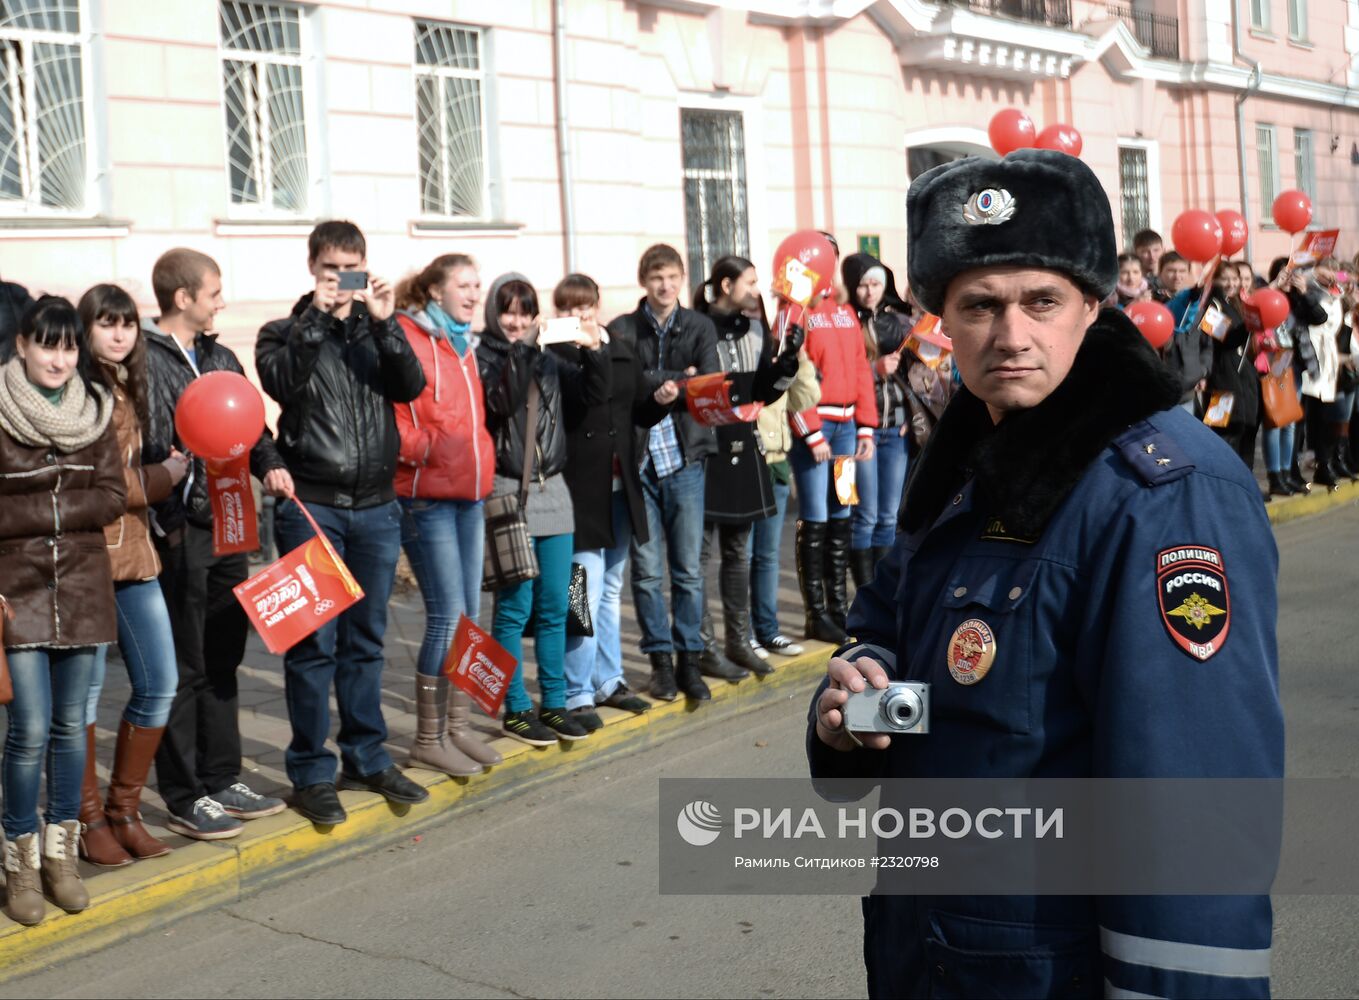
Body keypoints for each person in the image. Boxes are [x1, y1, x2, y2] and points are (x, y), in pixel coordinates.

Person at [810, 149, 1281, 998]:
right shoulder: (962, 465)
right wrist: (848, 704)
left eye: (1040, 301)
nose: (1011, 334)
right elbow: (884, 629)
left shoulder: (1163, 494)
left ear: (1093, 306)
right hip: (935, 956)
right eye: (979, 306)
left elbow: (1194, 815)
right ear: (938, 320)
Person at [256, 221, 430, 826]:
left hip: (377, 508)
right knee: (312, 646)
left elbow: (412, 386)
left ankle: (365, 755)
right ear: (313, 268)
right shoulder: (283, 332)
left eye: (352, 268)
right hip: (312, 509)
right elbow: (281, 383)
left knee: (366, 642)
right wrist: (319, 319)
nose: (343, 281)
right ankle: (310, 771)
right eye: (333, 270)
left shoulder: (375, 329)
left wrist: (384, 321)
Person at [143, 248, 291, 840]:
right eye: (214, 293)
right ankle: (183, 793)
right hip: (181, 531)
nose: (221, 302)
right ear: (183, 298)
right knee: (184, 664)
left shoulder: (222, 355)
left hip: (233, 522)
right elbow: (149, 444)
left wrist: (272, 464)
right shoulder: (147, 362)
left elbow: (253, 425)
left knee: (225, 655)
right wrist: (168, 514)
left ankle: (223, 775)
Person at [0, 296, 125, 926]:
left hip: (82, 587)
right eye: (47, 344)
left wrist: (41, 512)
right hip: (15, 591)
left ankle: (61, 858)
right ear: (22, 345)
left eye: (69, 345)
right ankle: (18, 863)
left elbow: (112, 495)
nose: (60, 357)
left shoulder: (95, 412)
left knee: (71, 728)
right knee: (27, 733)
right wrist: (52, 513)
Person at [75, 285, 187, 867]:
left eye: (127, 325)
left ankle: (125, 809)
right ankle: (88, 818)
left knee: (159, 682)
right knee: (86, 696)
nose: (119, 335)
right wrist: (166, 474)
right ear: (85, 330)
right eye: (106, 325)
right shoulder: (80, 392)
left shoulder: (129, 384)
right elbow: (104, 489)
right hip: (88, 558)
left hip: (136, 553)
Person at [477, 274, 608, 744]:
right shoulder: (484, 356)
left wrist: (593, 351)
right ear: (495, 313)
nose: (516, 320)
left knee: (556, 604)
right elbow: (501, 402)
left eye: (525, 311)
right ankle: (514, 707)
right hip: (508, 490)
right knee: (514, 608)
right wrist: (523, 350)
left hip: (554, 490)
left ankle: (554, 703)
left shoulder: (550, 360)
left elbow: (592, 397)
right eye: (508, 311)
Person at [392, 254, 501, 776]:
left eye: (477, 284)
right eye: (464, 284)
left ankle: (458, 727)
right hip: (427, 494)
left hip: (469, 493)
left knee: (470, 616)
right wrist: (425, 447)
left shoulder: (463, 343)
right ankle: (428, 738)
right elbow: (390, 414)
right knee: (447, 617)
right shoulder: (410, 336)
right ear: (435, 290)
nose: (474, 292)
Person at [552, 274, 672, 729]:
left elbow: (636, 406)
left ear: (597, 304)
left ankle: (608, 679)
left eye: (584, 306)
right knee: (581, 590)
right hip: (582, 488)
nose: (578, 315)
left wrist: (660, 400)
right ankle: (575, 689)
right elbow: (589, 394)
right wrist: (588, 350)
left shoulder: (619, 346)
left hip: (622, 488)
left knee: (610, 591)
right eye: (569, 307)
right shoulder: (558, 354)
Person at [607, 244, 721, 703]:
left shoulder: (698, 325)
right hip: (639, 465)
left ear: (681, 278)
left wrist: (667, 381)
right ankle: (659, 664)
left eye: (672, 276)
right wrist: (673, 378)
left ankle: (689, 661)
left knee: (689, 571)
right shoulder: (621, 329)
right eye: (656, 277)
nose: (665, 285)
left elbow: (709, 381)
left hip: (685, 460)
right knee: (648, 573)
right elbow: (625, 387)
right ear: (644, 281)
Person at [692, 256, 805, 680]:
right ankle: (702, 648)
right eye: (751, 281)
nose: (758, 289)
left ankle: (738, 643)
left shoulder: (757, 327)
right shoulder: (697, 324)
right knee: (697, 557)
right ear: (726, 285)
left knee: (737, 552)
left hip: (743, 445)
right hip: (703, 447)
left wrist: (786, 362)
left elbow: (764, 392)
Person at [789, 238, 878, 644]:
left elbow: (861, 370)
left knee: (842, 515)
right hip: (818, 430)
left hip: (845, 433)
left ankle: (839, 606)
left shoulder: (845, 313)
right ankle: (815, 613)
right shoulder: (797, 313)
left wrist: (865, 427)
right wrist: (810, 432)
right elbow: (790, 376)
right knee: (815, 518)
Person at [749, 314, 820, 662]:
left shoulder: (776, 357)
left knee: (766, 555)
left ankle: (767, 629)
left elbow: (806, 397)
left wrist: (798, 356)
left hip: (777, 462)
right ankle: (743, 634)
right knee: (742, 556)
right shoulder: (741, 357)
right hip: (746, 462)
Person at [840, 252, 911, 586]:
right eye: (863, 285)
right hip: (858, 430)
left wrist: (915, 417)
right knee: (863, 516)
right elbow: (837, 375)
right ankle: (865, 591)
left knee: (889, 515)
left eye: (875, 284)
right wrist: (874, 369)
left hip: (896, 428)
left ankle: (885, 589)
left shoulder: (899, 321)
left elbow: (919, 378)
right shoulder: (844, 321)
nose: (870, 291)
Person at [1299, 257, 1349, 489]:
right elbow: (1318, 318)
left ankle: (1326, 462)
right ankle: (1316, 461)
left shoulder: (1335, 293)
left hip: (1328, 356)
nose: (1331, 274)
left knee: (1328, 415)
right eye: (1327, 269)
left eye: (1334, 270)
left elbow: (1336, 322)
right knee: (1313, 414)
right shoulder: (1307, 287)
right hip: (1311, 354)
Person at [1132, 228, 1163, 295]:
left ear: (1163, 250)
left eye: (1156, 250)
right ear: (1135, 253)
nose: (1152, 256)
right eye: (1145, 251)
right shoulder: (1130, 282)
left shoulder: (1171, 279)